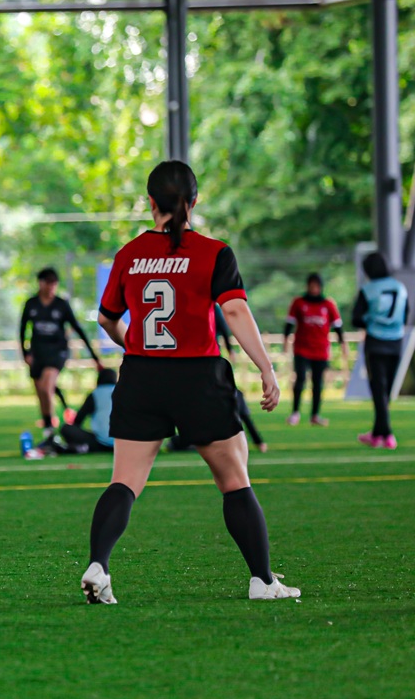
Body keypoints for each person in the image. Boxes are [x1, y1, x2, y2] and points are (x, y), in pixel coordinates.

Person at [82, 160, 299, 604]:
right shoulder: (214, 252)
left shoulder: (128, 254)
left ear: (150, 202)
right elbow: (234, 311)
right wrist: (266, 368)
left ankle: (98, 566)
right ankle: (262, 581)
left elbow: (106, 319)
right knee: (235, 480)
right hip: (198, 377)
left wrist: (133, 344)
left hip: (142, 376)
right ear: (194, 201)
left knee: (124, 481)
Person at [169, 305, 266, 453]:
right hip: (206, 362)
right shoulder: (209, 307)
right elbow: (228, 321)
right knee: (230, 397)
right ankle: (188, 439)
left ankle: (185, 440)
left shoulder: (189, 306)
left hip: (194, 362)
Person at [20, 268, 102, 439]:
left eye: (54, 284)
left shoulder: (61, 304)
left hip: (57, 352)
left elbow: (77, 328)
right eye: (48, 283)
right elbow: (22, 329)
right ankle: (48, 426)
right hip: (37, 353)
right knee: (41, 391)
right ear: (41, 283)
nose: (51, 287)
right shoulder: (31, 304)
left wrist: (95, 357)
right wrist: (25, 353)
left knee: (46, 387)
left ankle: (51, 428)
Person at [352, 252, 409, 450]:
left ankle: (387, 434)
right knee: (386, 392)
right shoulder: (400, 287)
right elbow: (406, 315)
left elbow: (356, 319)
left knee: (378, 390)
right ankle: (376, 434)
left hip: (376, 343)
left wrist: (372, 321)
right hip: (396, 343)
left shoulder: (368, 289)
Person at [283, 273, 346, 427]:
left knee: (318, 383)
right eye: (311, 285)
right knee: (300, 379)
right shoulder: (299, 302)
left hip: (320, 350)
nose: (314, 288)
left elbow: (338, 326)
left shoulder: (328, 304)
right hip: (302, 349)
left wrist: (343, 345)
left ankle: (315, 415)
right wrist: (285, 342)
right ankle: (295, 412)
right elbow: (289, 324)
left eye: (316, 286)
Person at [34, 368, 117, 457]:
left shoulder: (95, 394)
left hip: (100, 442)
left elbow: (78, 420)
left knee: (66, 428)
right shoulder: (122, 392)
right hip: (121, 442)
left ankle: (85, 447)